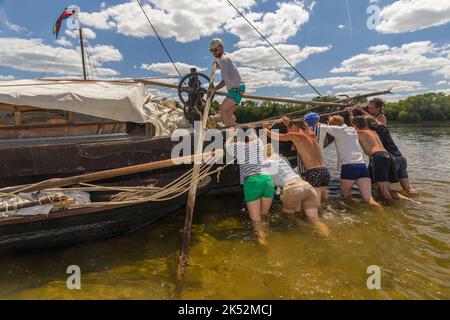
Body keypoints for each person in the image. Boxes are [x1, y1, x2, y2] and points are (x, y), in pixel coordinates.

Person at [262, 119, 330, 212]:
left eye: (288, 129)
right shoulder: (311, 135)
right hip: (324, 171)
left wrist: (265, 128)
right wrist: (289, 123)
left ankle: (319, 223)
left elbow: (274, 136)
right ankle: (328, 213)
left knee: (314, 205)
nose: (288, 132)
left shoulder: (295, 135)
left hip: (314, 172)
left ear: (294, 127)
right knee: (322, 200)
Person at [263, 144, 330, 236]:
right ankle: (327, 237)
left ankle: (300, 229)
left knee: (287, 216)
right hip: (308, 187)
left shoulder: (265, 164)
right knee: (315, 220)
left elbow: (266, 182)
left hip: (293, 189)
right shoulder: (283, 159)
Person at [225, 127, 274, 245]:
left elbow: (226, 146)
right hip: (267, 180)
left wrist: (231, 135)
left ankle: (262, 240)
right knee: (264, 214)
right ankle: (267, 233)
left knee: (256, 220)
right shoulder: (259, 144)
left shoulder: (237, 147)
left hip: (252, 182)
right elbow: (255, 136)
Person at [325, 115, 381, 207]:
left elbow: (321, 126)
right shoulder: (353, 130)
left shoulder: (338, 130)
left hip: (348, 167)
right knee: (369, 199)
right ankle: (381, 212)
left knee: (345, 195)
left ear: (334, 125)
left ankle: (350, 212)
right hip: (362, 166)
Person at [365, 116, 416, 194]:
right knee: (408, 188)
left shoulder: (371, 132)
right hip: (401, 158)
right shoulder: (383, 127)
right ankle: (417, 199)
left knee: (384, 189)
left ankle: (400, 201)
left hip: (390, 160)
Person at [208, 38, 245, 127]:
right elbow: (228, 67)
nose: (214, 53)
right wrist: (218, 66)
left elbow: (224, 81)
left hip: (236, 90)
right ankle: (238, 128)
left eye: (215, 50)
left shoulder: (223, 60)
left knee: (222, 112)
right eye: (211, 51)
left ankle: (234, 133)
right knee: (228, 115)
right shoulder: (225, 57)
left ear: (221, 47)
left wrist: (214, 89)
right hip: (239, 88)